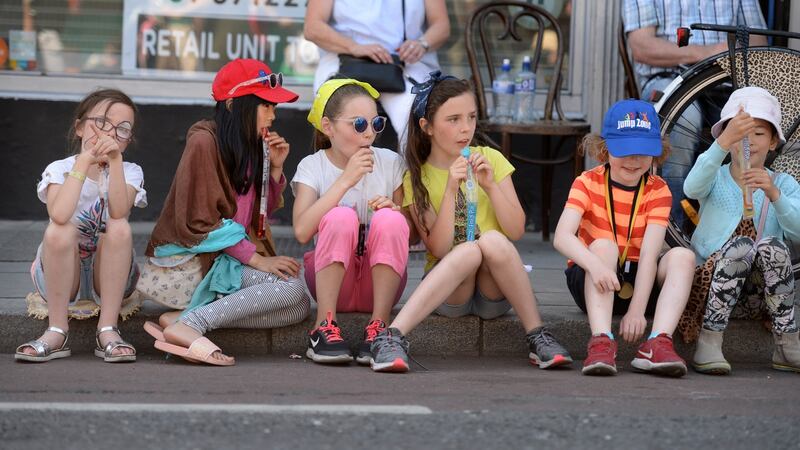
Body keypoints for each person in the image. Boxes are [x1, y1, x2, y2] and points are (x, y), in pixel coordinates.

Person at [369, 73, 572, 373]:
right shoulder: (417, 176)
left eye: (472, 117)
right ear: (427, 127)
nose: (466, 128)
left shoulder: (490, 158)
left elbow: (515, 230)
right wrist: (451, 189)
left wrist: (491, 185)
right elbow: (438, 247)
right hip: (452, 291)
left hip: (495, 290)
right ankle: (392, 337)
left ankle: (538, 335)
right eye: (453, 119)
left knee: (491, 241)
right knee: (468, 250)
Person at [143, 59, 310, 366]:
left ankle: (185, 318)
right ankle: (192, 325)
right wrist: (259, 260)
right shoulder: (204, 142)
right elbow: (201, 222)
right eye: (266, 107)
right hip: (197, 258)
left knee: (298, 308)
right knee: (290, 288)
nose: (273, 116)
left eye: (274, 108)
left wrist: (275, 169)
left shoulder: (253, 143)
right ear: (234, 104)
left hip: (229, 257)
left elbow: (260, 214)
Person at [553, 99, 696, 377]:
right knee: (604, 245)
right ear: (605, 149)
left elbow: (649, 255)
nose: (634, 160)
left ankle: (657, 341)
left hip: (638, 281)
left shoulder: (658, 189)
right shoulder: (586, 181)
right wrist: (595, 266)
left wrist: (637, 311)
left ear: (656, 152)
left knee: (683, 256)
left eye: (643, 152)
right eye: (625, 150)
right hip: (593, 279)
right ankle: (602, 340)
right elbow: (561, 237)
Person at [15, 88, 147, 363]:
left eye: (122, 129)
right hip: (60, 272)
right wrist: (85, 161)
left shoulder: (130, 171)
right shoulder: (59, 169)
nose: (110, 134)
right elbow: (60, 214)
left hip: (110, 274)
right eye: (101, 123)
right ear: (79, 127)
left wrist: (115, 162)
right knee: (58, 229)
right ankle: (56, 330)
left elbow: (119, 210)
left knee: (118, 226)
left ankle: (108, 329)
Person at [292, 78, 410, 365]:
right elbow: (302, 231)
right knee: (340, 216)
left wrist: (394, 209)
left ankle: (379, 328)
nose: (369, 134)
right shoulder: (313, 166)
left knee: (391, 219)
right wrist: (345, 181)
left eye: (376, 124)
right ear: (328, 127)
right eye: (358, 124)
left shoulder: (391, 162)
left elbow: (412, 234)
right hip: (332, 284)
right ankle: (323, 327)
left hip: (381, 285)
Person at [683, 87, 800, 375]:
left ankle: (787, 343)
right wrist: (721, 144)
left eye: (759, 134)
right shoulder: (716, 177)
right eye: (739, 134)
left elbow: (797, 232)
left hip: (760, 297)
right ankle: (709, 341)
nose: (749, 141)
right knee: (741, 246)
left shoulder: (783, 184)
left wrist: (774, 194)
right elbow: (691, 188)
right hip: (712, 289)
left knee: (772, 245)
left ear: (773, 142)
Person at [622, 0, 768, 229]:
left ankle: (742, 229)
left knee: (756, 125)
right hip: (668, 78)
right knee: (684, 120)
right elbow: (642, 47)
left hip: (726, 80)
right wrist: (707, 53)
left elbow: (759, 41)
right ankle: (670, 230)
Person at [304, 0, 450, 153]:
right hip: (346, 59)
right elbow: (312, 27)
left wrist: (422, 44)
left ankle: (414, 175)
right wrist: (353, 47)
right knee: (345, 116)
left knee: (421, 118)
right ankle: (346, 175)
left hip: (402, 64)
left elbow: (441, 26)